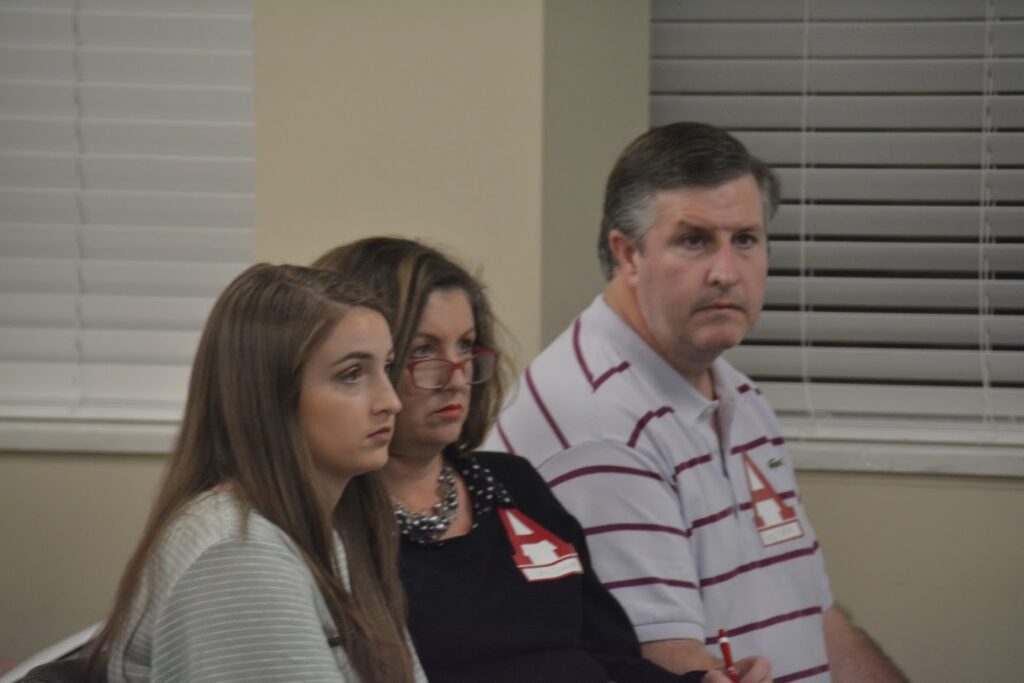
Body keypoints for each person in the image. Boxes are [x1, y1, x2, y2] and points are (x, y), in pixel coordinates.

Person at [484, 122, 908, 682]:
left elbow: (815, 618)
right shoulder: (600, 425)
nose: (726, 272)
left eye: (746, 240)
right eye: (694, 240)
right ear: (627, 254)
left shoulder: (736, 394)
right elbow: (668, 666)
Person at [314, 237, 769, 683]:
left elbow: (612, 659)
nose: (456, 376)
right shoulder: (333, 522)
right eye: (423, 351)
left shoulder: (513, 484)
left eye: (466, 346)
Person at [84, 264, 425, 682]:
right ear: (268, 397)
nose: (390, 402)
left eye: (386, 368)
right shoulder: (239, 555)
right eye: (352, 374)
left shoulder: (316, 527)